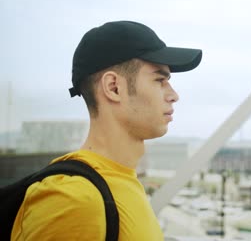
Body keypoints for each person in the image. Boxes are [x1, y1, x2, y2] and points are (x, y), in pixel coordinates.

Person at [11, 20, 202, 240]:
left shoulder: (121, 180)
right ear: (114, 87)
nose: (173, 95)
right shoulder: (75, 200)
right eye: (160, 80)